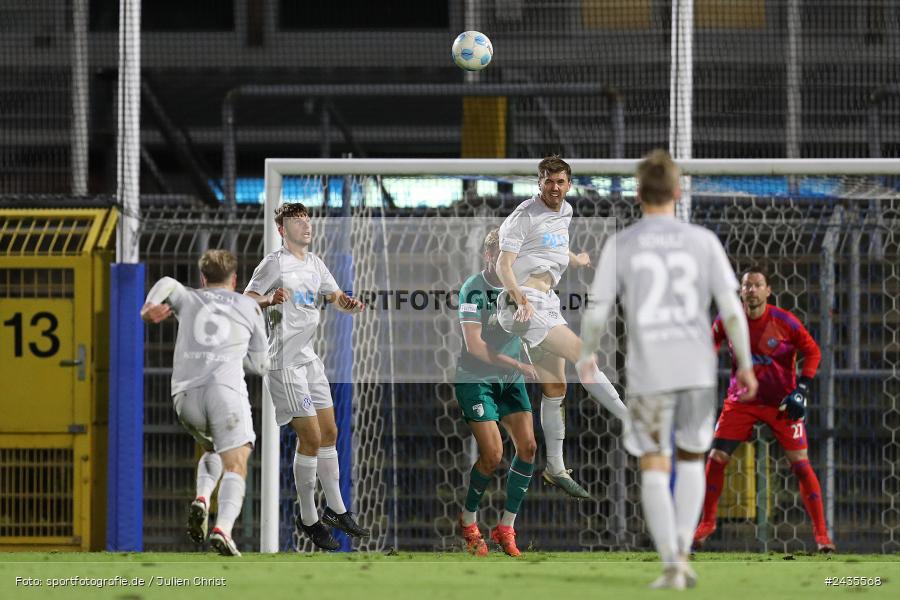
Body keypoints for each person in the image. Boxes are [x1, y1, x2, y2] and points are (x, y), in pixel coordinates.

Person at [578, 149, 758, 589]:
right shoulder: (703, 241)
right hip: (696, 368)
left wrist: (587, 354)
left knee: (655, 464)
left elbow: (599, 310)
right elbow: (732, 310)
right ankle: (683, 550)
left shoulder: (622, 244)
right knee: (694, 458)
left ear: (638, 193)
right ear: (678, 192)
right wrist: (746, 364)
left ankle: (670, 564)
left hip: (649, 372)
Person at [495, 155, 628, 500]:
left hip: (546, 302)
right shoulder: (524, 215)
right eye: (548, 181)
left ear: (569, 184)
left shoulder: (565, 212)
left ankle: (555, 467)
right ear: (538, 183)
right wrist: (518, 299)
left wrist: (576, 259)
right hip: (522, 303)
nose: (554, 187)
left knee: (555, 388)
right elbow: (502, 264)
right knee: (586, 358)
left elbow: (552, 245)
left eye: (560, 182)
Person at [245, 202, 369, 551]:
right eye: (297, 222)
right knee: (312, 436)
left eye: (307, 219)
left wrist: (350, 303)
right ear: (283, 230)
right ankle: (309, 517)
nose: (306, 225)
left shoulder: (315, 263)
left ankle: (337, 509)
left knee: (330, 431)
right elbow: (246, 300)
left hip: (309, 359)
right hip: (284, 361)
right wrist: (269, 299)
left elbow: (336, 298)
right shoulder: (274, 263)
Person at [693, 267, 835, 553]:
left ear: (768, 291)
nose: (752, 290)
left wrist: (802, 389)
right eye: (747, 286)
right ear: (741, 291)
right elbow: (710, 345)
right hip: (741, 400)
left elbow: (813, 352)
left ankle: (822, 536)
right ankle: (706, 524)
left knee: (800, 462)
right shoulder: (729, 320)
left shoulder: (785, 322)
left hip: (781, 403)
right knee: (716, 457)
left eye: (758, 285)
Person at [141, 249, 269, 557]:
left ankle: (201, 497)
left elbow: (169, 282)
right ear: (235, 279)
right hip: (224, 392)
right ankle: (222, 529)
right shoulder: (249, 306)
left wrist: (148, 306)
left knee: (213, 447)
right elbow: (260, 366)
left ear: (203, 278)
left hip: (184, 399)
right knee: (236, 461)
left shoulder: (188, 298)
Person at [456, 228, 539, 557]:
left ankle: (506, 526)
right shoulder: (472, 290)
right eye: (501, 256)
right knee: (492, 455)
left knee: (529, 447)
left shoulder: (520, 288)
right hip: (476, 378)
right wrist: (517, 365)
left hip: (509, 377)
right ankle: (468, 521)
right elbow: (474, 346)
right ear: (488, 257)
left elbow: (535, 324)